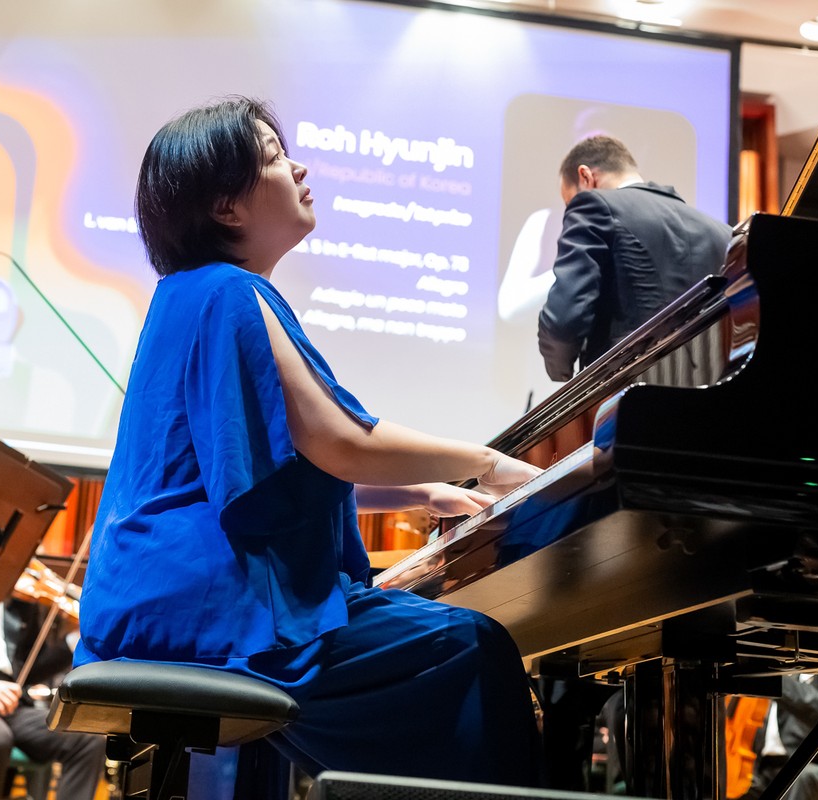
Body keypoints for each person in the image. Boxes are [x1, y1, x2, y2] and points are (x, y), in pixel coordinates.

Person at [73, 97, 544, 791]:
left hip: (141, 606)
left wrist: (418, 490)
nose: (297, 165)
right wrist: (489, 465)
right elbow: (343, 441)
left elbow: (259, 462)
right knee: (472, 647)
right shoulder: (232, 292)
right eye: (271, 157)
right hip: (208, 608)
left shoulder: (184, 295)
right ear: (227, 208)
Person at [537, 135, 732, 381]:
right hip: (712, 394)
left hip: (629, 394)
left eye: (569, 201)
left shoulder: (592, 204)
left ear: (586, 177)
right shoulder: (722, 231)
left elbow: (565, 314)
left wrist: (560, 370)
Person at [0, 598, 105, 800]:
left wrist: (72, 641)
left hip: (11, 702)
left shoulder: (24, 604)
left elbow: (31, 669)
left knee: (87, 740)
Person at [744, 673, 818, 800]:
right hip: (769, 765)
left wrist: (776, 681)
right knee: (739, 785)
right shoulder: (792, 673)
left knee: (799, 778)